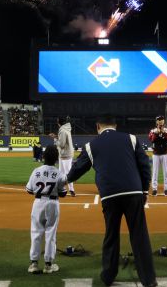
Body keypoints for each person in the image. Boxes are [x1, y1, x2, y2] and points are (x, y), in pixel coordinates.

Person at [64, 114, 157, 287]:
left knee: (111, 236)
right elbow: (145, 165)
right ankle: (149, 279)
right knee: (139, 235)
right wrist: (144, 190)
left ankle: (108, 276)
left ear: (98, 126)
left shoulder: (90, 145)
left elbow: (77, 170)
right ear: (115, 125)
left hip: (109, 195)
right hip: (134, 192)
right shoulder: (131, 138)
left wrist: (64, 181)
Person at [26, 144, 66, 275]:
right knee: (51, 233)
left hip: (38, 203)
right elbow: (63, 193)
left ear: (43, 156)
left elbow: (29, 190)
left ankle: (33, 264)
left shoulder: (36, 171)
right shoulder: (59, 173)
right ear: (56, 158)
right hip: (53, 204)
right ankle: (48, 265)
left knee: (36, 232)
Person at [148, 115, 167, 196]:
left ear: (163, 121)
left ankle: (166, 189)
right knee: (155, 172)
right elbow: (151, 139)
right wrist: (157, 133)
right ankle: (154, 189)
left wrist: (164, 133)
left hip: (165, 153)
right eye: (159, 120)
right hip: (156, 154)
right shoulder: (153, 131)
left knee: (166, 172)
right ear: (156, 122)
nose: (160, 122)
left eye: (161, 120)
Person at [53, 116, 75, 196]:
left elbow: (61, 144)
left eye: (57, 121)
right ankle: (61, 188)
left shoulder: (62, 130)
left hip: (65, 154)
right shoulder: (66, 129)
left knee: (66, 173)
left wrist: (55, 140)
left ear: (59, 123)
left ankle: (71, 190)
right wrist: (56, 137)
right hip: (65, 154)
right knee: (61, 172)